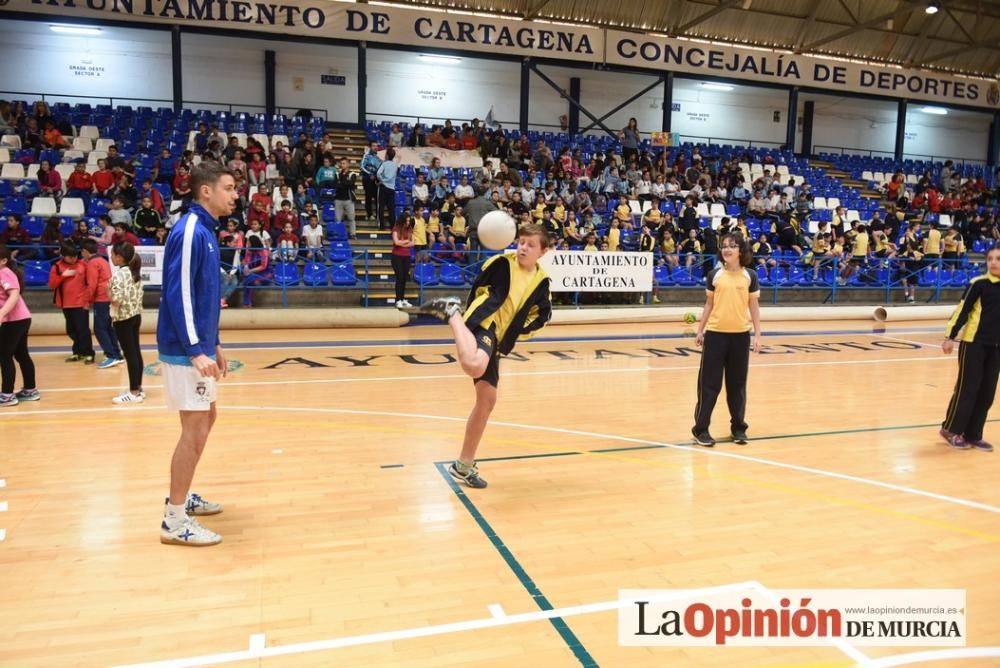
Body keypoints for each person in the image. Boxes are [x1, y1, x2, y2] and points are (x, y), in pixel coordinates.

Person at [407, 224, 553, 488]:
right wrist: (470, 318)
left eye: (530, 245)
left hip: (499, 338)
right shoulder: (500, 263)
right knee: (474, 365)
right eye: (521, 242)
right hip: (486, 323)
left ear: (542, 252)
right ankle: (452, 312)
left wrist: (515, 334)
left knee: (486, 401)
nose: (523, 247)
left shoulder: (542, 282)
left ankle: (463, 465)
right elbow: (478, 287)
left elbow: (542, 317)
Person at [156, 162, 236, 547]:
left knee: (207, 419)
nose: (235, 194)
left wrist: (213, 341)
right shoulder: (190, 230)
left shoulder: (205, 230)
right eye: (229, 187)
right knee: (196, 428)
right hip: (184, 350)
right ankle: (174, 519)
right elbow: (179, 293)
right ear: (206, 191)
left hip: (199, 345)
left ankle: (183, 498)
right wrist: (194, 350)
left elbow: (204, 296)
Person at [692, 233, 762, 447]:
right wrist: (700, 329)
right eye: (724, 246)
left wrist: (758, 334)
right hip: (715, 336)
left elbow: (754, 306)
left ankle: (738, 428)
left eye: (732, 246)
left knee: (737, 386)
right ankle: (701, 429)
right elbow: (709, 304)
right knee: (709, 385)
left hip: (740, 337)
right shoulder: (714, 274)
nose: (727, 249)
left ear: (741, 250)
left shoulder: (750, 276)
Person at [939, 246, 1000, 452]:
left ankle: (974, 435)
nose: (993, 262)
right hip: (974, 344)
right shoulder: (978, 284)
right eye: (990, 258)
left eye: (998, 258)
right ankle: (950, 429)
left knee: (987, 392)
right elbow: (962, 311)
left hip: (996, 347)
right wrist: (950, 336)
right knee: (968, 389)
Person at [0, 246, 39, 407]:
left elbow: (14, 295)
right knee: (21, 354)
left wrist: (1, 314)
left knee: (4, 355)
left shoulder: (5, 272)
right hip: (19, 319)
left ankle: (7, 395)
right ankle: (30, 390)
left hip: (15, 320)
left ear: (3, 261)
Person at [109, 242, 145, 404]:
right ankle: (138, 387)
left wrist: (107, 293)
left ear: (119, 257)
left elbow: (117, 300)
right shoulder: (134, 272)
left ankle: (134, 392)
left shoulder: (118, 275)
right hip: (135, 316)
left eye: (113, 254)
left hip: (123, 319)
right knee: (135, 352)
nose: (111, 257)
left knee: (130, 354)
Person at [48, 243, 96, 364]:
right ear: (63, 256)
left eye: (75, 256)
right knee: (71, 330)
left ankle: (89, 353)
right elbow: (52, 285)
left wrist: (88, 301)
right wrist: (63, 276)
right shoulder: (57, 267)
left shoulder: (83, 265)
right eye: (70, 257)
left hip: (80, 303)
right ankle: (77, 352)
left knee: (83, 330)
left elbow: (90, 283)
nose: (73, 259)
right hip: (65, 304)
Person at [81, 240, 124, 369]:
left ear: (86, 252)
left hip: (101, 299)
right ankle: (117, 354)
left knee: (100, 329)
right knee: (109, 328)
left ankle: (111, 356)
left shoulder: (92, 263)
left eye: (82, 252)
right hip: (108, 297)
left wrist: (87, 301)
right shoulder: (103, 261)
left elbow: (92, 285)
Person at [391, 211, 414, 309]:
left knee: (404, 277)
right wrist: (405, 241)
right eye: (407, 221)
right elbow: (396, 242)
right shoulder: (396, 228)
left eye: (409, 221)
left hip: (407, 255)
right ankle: (398, 300)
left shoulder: (409, 229)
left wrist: (403, 243)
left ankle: (403, 298)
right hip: (397, 256)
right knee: (399, 277)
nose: (408, 223)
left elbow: (413, 243)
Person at [376, 147, 398, 230]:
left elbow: (378, 173)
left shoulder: (384, 164)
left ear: (387, 156)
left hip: (383, 187)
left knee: (381, 207)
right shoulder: (395, 165)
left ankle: (382, 227)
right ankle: (393, 227)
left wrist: (382, 180)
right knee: (391, 209)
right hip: (392, 189)